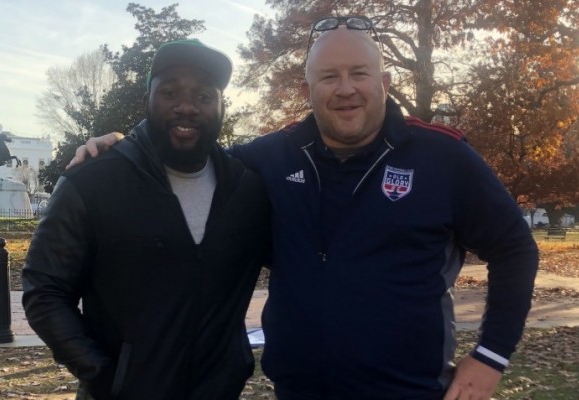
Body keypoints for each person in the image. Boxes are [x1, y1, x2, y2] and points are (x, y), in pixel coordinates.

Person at [70, 16, 539, 400]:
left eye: (359, 73)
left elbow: (515, 248)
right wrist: (125, 145)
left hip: (410, 390)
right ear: (309, 88)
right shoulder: (270, 157)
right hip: (297, 391)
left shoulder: (444, 157)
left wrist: (491, 356)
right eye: (329, 77)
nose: (345, 89)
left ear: (385, 81)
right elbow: (189, 150)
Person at [22, 39, 271, 400]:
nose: (186, 106)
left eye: (203, 96)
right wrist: (104, 374)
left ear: (221, 107)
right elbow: (44, 291)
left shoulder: (248, 191)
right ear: (147, 100)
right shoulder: (92, 181)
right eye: (170, 92)